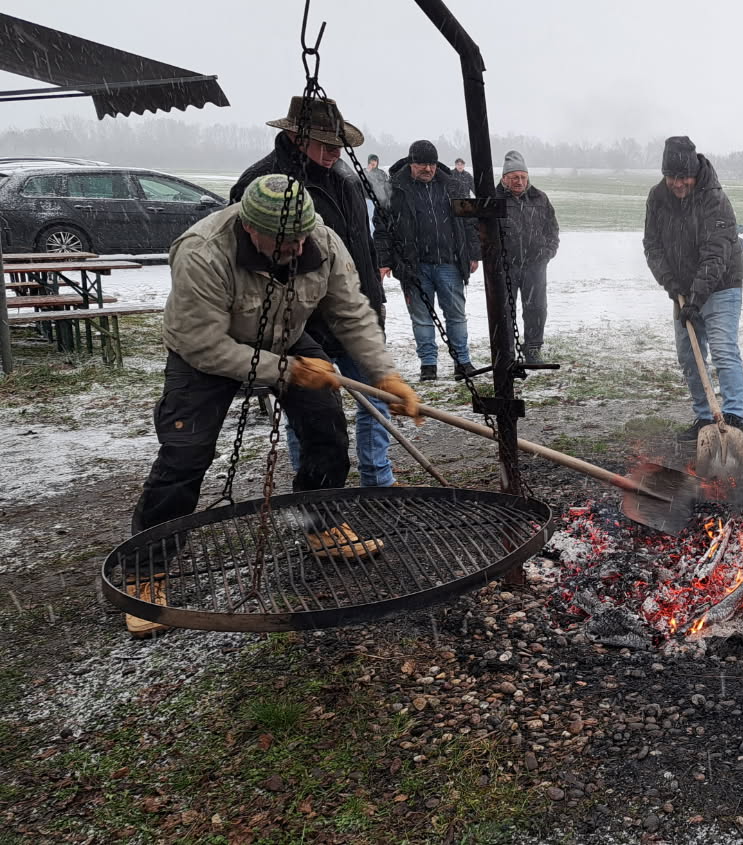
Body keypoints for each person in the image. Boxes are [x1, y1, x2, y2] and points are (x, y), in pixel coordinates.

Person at [127, 175, 422, 638]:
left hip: (285, 336)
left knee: (325, 428)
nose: (296, 247)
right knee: (185, 455)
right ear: (250, 228)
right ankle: (145, 572)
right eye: (285, 241)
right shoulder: (203, 251)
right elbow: (203, 343)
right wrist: (288, 372)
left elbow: (351, 313)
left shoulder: (321, 241)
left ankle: (320, 524)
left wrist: (385, 374)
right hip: (205, 350)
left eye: (301, 237)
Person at [229, 97, 398, 489]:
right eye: (326, 143)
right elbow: (249, 263)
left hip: (355, 311)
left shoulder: (345, 179)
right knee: (312, 413)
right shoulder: (261, 184)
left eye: (339, 144)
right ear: (296, 135)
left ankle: (378, 480)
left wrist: (374, 299)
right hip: (300, 320)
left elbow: (361, 244)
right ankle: (316, 491)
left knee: (377, 397)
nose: (336, 151)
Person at [642, 136, 743, 441]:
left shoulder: (714, 199)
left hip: (721, 285)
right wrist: (671, 284)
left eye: (683, 177)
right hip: (683, 289)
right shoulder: (657, 197)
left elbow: (716, 254)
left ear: (695, 172)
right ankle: (704, 418)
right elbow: (652, 246)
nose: (677, 184)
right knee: (690, 357)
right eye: (671, 176)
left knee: (723, 350)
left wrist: (696, 298)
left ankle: (734, 418)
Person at [377, 139, 480, 382]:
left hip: (449, 262)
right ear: (411, 163)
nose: (428, 169)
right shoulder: (394, 188)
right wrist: (384, 259)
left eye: (432, 164)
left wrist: (473, 252)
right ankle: (428, 364)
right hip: (413, 265)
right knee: (422, 318)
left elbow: (469, 221)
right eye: (422, 164)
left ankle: (462, 361)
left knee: (456, 315)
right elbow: (382, 228)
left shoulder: (452, 185)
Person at [498, 149, 560, 364]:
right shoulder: (495, 200)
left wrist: (548, 252)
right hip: (505, 266)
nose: (519, 181)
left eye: (523, 177)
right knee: (504, 310)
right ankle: (506, 352)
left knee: (536, 308)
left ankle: (533, 349)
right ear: (504, 178)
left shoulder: (540, 198)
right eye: (514, 177)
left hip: (535, 264)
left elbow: (552, 229)